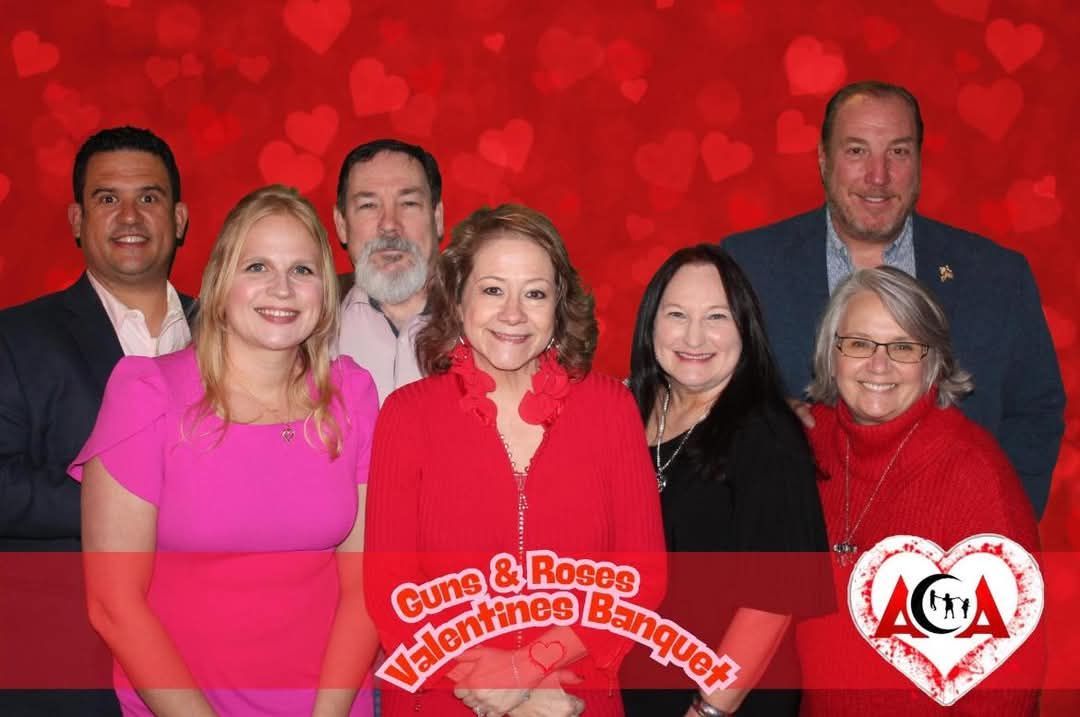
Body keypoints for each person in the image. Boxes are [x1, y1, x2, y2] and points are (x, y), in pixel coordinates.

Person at [69, 185, 380, 716]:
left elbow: (365, 590)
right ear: (219, 284)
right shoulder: (148, 395)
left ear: (325, 292)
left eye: (302, 270)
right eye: (256, 266)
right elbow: (113, 605)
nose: (281, 288)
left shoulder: (351, 395)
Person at [364, 204, 666, 716]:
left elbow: (643, 576)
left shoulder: (611, 408)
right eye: (492, 289)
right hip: (444, 699)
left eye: (534, 293)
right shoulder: (406, 415)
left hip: (571, 696)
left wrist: (529, 669)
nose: (513, 313)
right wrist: (497, 692)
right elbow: (391, 593)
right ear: (458, 301)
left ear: (558, 306)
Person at [723, 81, 1065, 518]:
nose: (878, 176)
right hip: (793, 548)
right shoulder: (746, 264)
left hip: (945, 553)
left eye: (898, 152)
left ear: (919, 163)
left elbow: (1035, 409)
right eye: (857, 151)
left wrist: (995, 519)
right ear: (824, 161)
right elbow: (698, 396)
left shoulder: (998, 276)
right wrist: (758, 420)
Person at [0, 125, 193, 716]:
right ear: (77, 219)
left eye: (150, 197)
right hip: (68, 669)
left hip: (212, 657)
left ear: (179, 219)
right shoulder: (17, 338)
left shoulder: (235, 334)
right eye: (107, 198)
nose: (129, 215)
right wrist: (133, 510)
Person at [796, 266, 1043, 715]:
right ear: (830, 354)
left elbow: (1008, 686)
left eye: (904, 347)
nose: (878, 365)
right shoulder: (804, 443)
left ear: (933, 362)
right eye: (858, 344)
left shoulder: (975, 475)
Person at [619, 245, 829, 717]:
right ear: (652, 323)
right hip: (635, 689)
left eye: (717, 316)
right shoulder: (626, 413)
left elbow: (772, 601)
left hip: (725, 700)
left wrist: (709, 707)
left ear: (745, 330)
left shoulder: (767, 435)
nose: (695, 335)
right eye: (676, 314)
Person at [333, 139, 443, 405]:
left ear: (437, 218)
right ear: (341, 225)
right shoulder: (308, 327)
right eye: (369, 205)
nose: (390, 225)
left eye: (408, 203)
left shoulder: (491, 321)